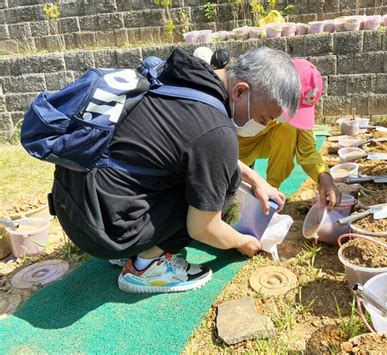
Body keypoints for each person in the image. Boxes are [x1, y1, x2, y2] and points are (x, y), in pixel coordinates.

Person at [51, 47, 301, 294]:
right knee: (216, 190)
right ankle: (146, 266)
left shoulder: (179, 74)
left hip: (75, 203)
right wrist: (242, 241)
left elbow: (194, 144)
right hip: (104, 231)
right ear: (240, 91)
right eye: (262, 118)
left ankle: (133, 245)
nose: (258, 125)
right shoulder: (216, 130)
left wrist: (256, 179)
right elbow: (203, 228)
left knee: (211, 172)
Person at [238, 59, 341, 207]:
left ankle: (272, 189)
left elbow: (307, 151)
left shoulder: (288, 118)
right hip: (232, 153)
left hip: (259, 146)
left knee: (289, 127)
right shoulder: (245, 97)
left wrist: (324, 177)